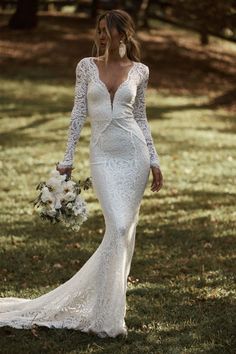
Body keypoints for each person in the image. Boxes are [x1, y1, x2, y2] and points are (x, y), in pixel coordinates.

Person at [0, 9, 163, 338]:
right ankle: (102, 309)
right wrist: (67, 159)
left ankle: (110, 316)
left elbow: (142, 118)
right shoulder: (86, 67)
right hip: (102, 156)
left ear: (123, 34)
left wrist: (155, 160)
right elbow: (78, 113)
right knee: (116, 227)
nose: (102, 35)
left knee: (123, 233)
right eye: (99, 29)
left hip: (135, 156)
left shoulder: (140, 71)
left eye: (108, 30)